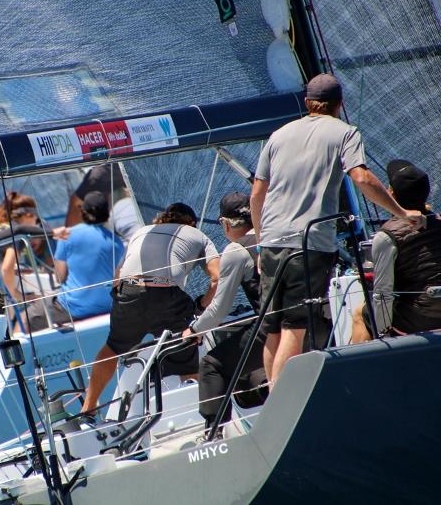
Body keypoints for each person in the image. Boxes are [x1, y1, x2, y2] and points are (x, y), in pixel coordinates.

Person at [250, 73, 425, 386]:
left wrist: (261, 245)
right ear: (339, 105)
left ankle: (271, 403)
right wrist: (401, 212)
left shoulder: (278, 135)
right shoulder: (345, 132)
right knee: (296, 326)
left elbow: (256, 195)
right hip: (310, 244)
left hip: (273, 243)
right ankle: (281, 402)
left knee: (273, 329)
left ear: (307, 103)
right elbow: (361, 178)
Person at [82, 202, 220, 414]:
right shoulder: (197, 234)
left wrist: (123, 302)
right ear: (192, 223)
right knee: (189, 351)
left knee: (113, 348)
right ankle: (197, 410)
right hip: (166, 294)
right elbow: (217, 277)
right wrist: (202, 305)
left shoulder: (141, 232)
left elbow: (117, 279)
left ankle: (88, 409)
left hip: (129, 291)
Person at [181, 193, 267, 435]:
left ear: (225, 224)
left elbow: (219, 310)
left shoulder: (236, 251)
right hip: (317, 321)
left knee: (212, 365)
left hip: (274, 327)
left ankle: (214, 436)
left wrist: (193, 330)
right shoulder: (276, 234)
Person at [351, 160, 441, 342]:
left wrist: (382, 334)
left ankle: (364, 367)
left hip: (420, 317)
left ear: (390, 193)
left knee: (361, 313)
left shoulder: (387, 236)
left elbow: (383, 293)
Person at [25, 191, 124, 331]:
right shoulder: (117, 241)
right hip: (107, 306)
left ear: (83, 211)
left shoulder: (67, 234)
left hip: (74, 307)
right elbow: (118, 279)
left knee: (27, 318)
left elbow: (60, 277)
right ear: (106, 213)